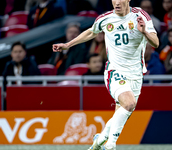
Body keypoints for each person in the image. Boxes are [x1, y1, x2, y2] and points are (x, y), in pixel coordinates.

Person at [52, 0, 159, 149]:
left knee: (122, 114)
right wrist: (67, 45)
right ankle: (110, 145)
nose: (116, 2)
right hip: (115, 71)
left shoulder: (140, 16)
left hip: (136, 74)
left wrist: (144, 32)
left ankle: (98, 141)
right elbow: (91, 32)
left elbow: (155, 43)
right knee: (129, 104)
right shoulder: (105, 18)